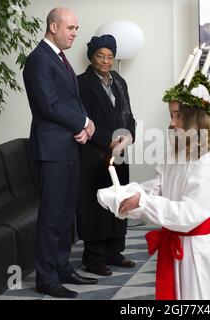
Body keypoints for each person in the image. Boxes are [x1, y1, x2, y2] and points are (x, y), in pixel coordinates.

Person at [97, 71, 210, 300]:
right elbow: (158, 187)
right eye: (171, 115)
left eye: (177, 116)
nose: (172, 123)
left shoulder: (209, 157)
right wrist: (126, 195)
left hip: (197, 253)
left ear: (195, 116)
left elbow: (191, 213)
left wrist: (143, 202)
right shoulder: (176, 147)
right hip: (175, 241)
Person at [23, 7, 97, 298]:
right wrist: (83, 122)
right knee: (52, 215)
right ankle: (46, 278)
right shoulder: (38, 60)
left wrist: (87, 126)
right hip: (52, 150)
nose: (75, 34)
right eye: (71, 28)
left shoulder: (59, 59)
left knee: (66, 214)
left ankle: (62, 267)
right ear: (53, 27)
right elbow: (49, 105)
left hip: (68, 146)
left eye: (76, 29)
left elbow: (73, 100)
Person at [76, 35, 136, 276]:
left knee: (118, 201)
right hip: (94, 152)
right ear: (92, 57)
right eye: (100, 56)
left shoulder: (119, 81)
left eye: (110, 56)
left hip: (119, 150)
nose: (105, 60)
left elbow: (128, 114)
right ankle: (93, 258)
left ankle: (114, 252)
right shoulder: (81, 83)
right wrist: (106, 140)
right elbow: (83, 118)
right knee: (96, 205)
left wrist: (129, 136)